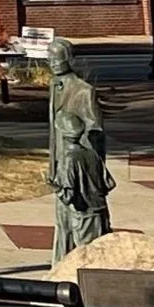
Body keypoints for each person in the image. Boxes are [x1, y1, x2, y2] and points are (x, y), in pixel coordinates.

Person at [47, 38, 114, 263]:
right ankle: (60, 268)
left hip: (78, 170)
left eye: (57, 58)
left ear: (69, 59)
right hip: (61, 166)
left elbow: (95, 135)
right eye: (50, 58)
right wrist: (56, 166)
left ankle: (83, 268)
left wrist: (80, 169)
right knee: (62, 222)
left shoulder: (84, 91)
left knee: (80, 225)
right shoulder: (54, 86)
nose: (53, 63)